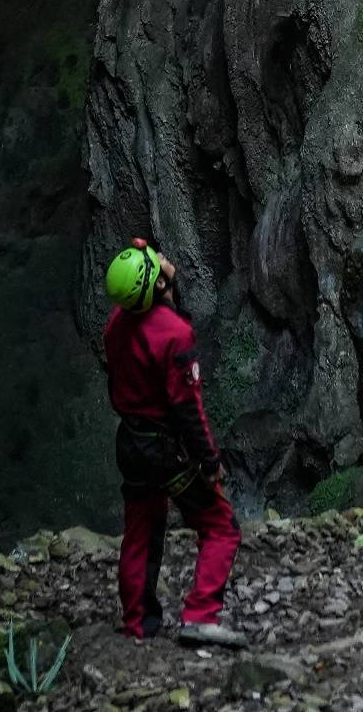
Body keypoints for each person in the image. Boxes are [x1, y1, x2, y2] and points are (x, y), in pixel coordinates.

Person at [103, 240, 245, 648]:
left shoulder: (116, 322)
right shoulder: (175, 335)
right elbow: (188, 408)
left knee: (141, 530)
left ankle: (138, 623)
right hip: (165, 448)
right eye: (156, 261)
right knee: (220, 527)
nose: (164, 257)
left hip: (130, 441)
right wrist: (209, 461)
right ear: (155, 282)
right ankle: (200, 615)